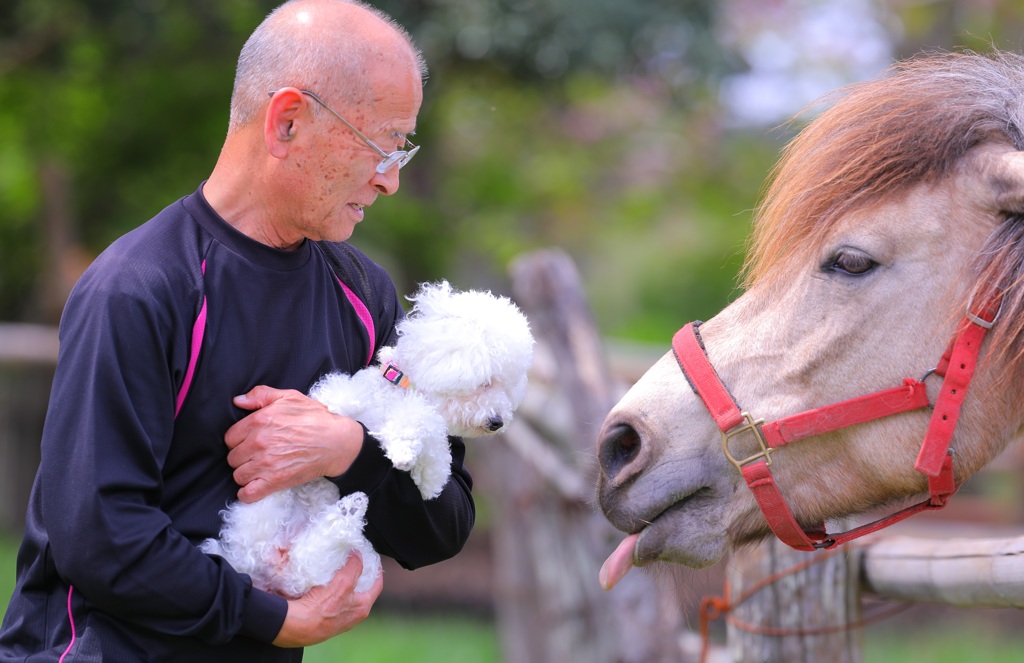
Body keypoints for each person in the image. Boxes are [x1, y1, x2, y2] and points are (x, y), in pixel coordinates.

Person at [0, 1, 475, 660]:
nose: (391, 179)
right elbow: (99, 535)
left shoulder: (365, 297)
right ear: (287, 121)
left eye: (403, 147)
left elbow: (443, 522)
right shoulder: (138, 288)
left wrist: (347, 449)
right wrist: (271, 617)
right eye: (380, 145)